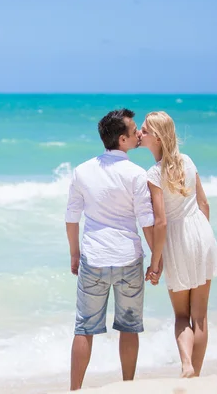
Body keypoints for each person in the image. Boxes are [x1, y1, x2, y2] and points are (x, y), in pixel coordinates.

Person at [65, 108, 155, 390]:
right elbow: (147, 221)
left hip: (94, 257)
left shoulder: (82, 170)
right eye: (133, 131)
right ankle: (127, 385)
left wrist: (74, 253)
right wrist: (157, 258)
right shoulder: (137, 174)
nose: (138, 134)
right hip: (129, 258)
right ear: (122, 140)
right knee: (129, 327)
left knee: (84, 328)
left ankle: (75, 389)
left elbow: (71, 216)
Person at [139, 111, 217, 378]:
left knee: (181, 316)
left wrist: (156, 262)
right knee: (200, 315)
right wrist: (204, 236)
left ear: (156, 137)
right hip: (201, 232)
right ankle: (196, 376)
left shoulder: (153, 174)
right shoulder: (187, 161)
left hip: (177, 239)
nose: (139, 134)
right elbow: (204, 204)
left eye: (144, 130)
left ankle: (186, 364)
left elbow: (161, 222)